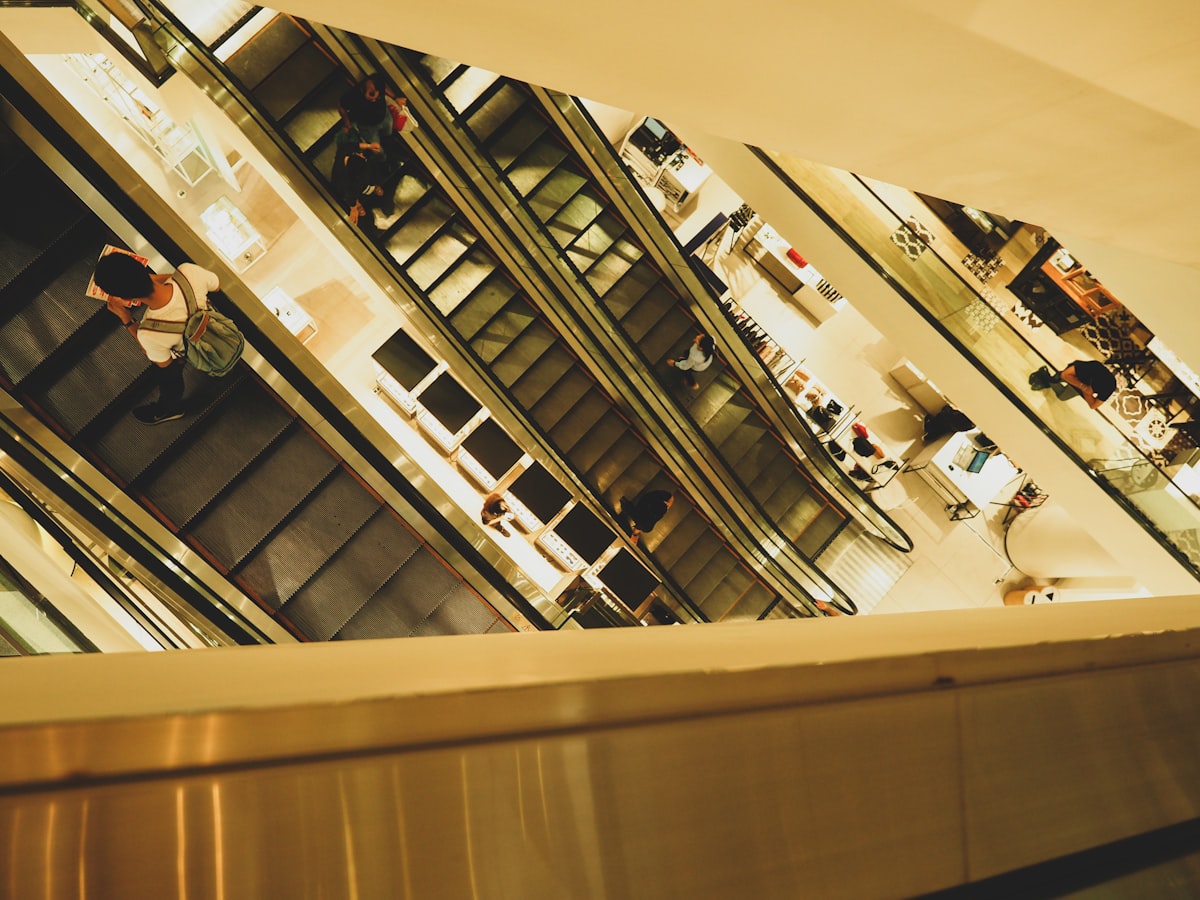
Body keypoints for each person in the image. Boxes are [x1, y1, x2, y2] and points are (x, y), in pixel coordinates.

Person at [93, 252, 220, 425]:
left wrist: (126, 318)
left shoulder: (149, 334)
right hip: (218, 330)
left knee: (168, 376)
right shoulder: (188, 271)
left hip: (198, 352)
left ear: (126, 298)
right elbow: (216, 287)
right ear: (140, 266)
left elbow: (163, 363)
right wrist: (153, 279)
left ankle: (169, 408)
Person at [337, 74, 400, 160]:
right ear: (364, 90)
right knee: (377, 150)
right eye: (371, 96)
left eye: (377, 98)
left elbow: (384, 89)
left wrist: (395, 98)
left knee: (388, 134)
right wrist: (347, 123)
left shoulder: (378, 83)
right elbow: (341, 106)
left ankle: (390, 149)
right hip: (368, 127)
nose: (374, 100)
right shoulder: (353, 95)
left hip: (384, 117)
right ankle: (383, 161)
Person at [1029, 359, 1116, 409]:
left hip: (1083, 384)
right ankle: (1047, 377)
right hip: (1076, 373)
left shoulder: (1109, 387)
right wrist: (1084, 388)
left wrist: (1086, 391)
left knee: (1062, 396)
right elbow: (1066, 374)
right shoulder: (1093, 367)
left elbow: (1093, 406)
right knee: (1061, 377)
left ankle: (1046, 377)